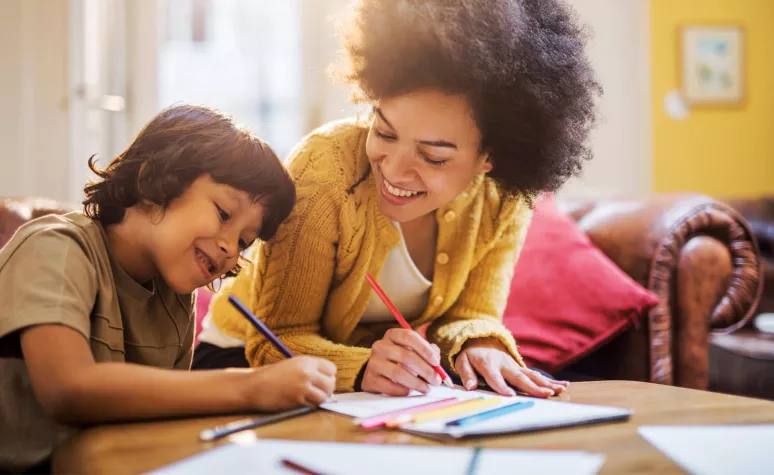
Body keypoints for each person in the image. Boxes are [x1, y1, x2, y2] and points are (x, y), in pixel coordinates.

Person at [195, 0, 600, 398]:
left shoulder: (501, 198)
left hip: (367, 377)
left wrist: (479, 345)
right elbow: (276, 343)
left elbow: (469, 315)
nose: (394, 169)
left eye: (433, 156)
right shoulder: (324, 172)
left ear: (489, 158)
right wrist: (364, 367)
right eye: (384, 132)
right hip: (242, 361)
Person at [0, 105, 337, 474]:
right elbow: (68, 390)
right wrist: (251, 385)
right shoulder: (57, 247)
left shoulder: (175, 297)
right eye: (224, 214)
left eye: (244, 241)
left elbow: (162, 408)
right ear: (154, 181)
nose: (230, 247)